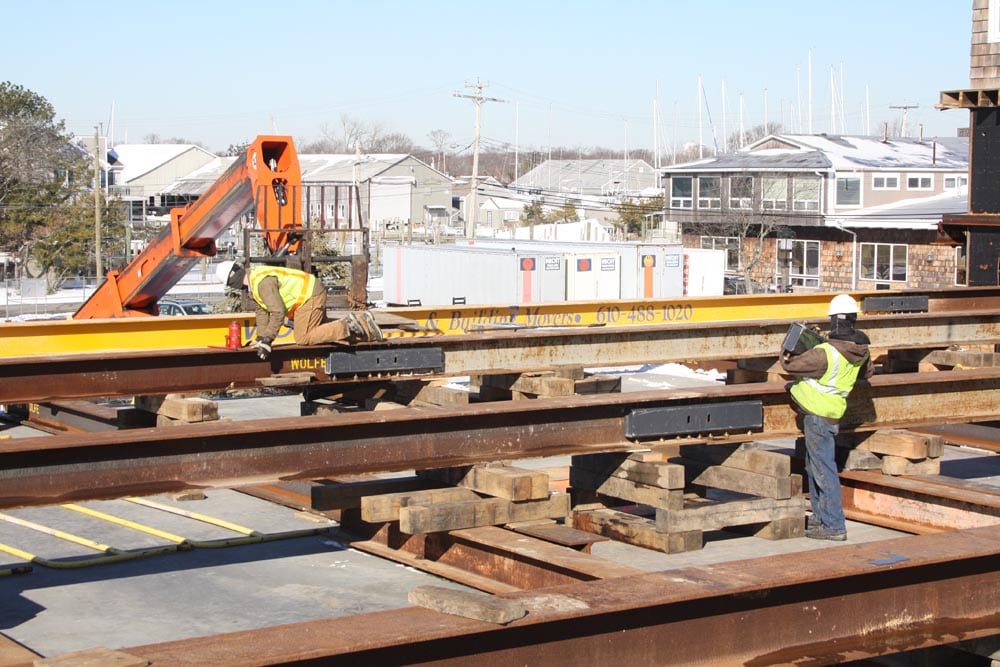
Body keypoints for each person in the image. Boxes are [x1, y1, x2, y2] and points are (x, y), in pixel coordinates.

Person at [781, 294, 873, 541]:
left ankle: (833, 525)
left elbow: (789, 366)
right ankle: (822, 520)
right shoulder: (861, 351)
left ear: (833, 321)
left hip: (818, 415)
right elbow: (868, 372)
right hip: (832, 414)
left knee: (823, 470)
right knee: (816, 467)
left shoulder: (826, 353)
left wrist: (789, 346)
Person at [215, 260, 382, 360]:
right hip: (310, 293)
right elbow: (262, 311)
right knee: (322, 333)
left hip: (308, 296)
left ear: (232, 282)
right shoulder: (254, 278)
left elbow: (277, 312)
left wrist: (268, 340)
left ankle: (347, 325)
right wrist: (260, 337)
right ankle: (366, 330)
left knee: (303, 337)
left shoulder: (261, 284)